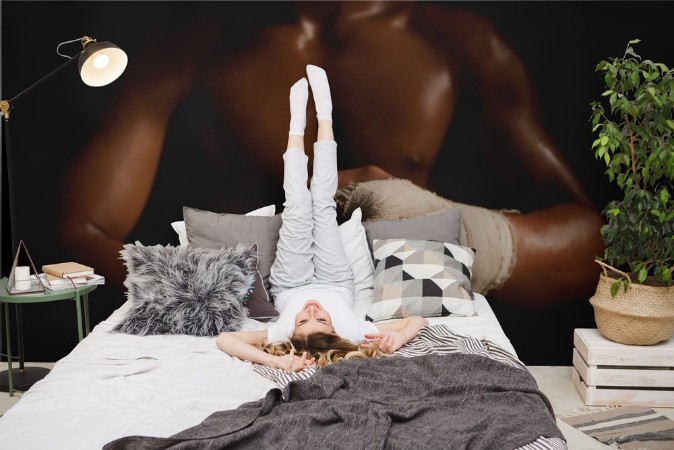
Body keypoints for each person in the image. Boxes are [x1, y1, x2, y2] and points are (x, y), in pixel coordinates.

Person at [59, 1, 603, 308]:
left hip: (408, 307)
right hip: (256, 309)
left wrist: (406, 213)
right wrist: (222, 288)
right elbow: (79, 233)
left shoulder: (455, 42)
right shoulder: (196, 49)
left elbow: (587, 244)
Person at [216, 66, 428, 371]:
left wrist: (274, 361)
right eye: (322, 319)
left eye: (304, 319)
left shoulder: (281, 333)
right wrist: (399, 338)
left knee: (298, 205)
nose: (312, 310)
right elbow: (418, 320)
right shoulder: (354, 332)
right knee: (323, 203)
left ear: (292, 330)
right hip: (336, 280)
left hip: (289, 283)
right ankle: (325, 114)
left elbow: (225, 339)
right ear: (334, 329)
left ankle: (296, 125)